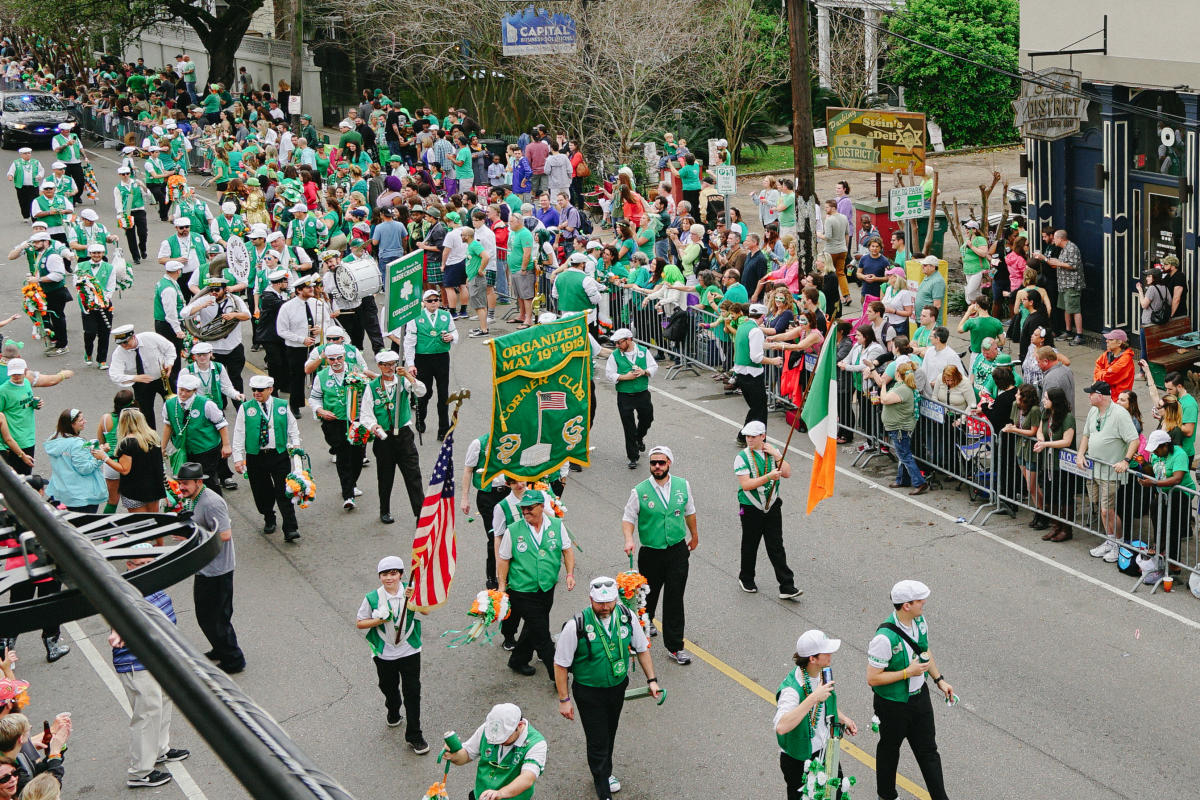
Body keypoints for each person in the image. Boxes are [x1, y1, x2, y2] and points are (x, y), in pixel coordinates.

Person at [553, 576, 659, 800]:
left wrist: (652, 680)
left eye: (609, 602)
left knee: (609, 733)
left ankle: (604, 772)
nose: (605, 607)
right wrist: (564, 700)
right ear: (590, 598)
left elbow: (641, 648)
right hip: (589, 691)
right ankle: (603, 789)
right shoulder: (577, 625)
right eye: (600, 603)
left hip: (617, 687)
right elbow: (561, 664)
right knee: (598, 740)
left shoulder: (626, 616)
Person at [110, 549, 190, 789]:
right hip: (137, 662)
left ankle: (159, 750)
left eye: (149, 561)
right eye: (140, 563)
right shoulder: (124, 590)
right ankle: (140, 772)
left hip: (159, 658)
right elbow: (117, 615)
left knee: (162, 703)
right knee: (146, 714)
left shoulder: (152, 580)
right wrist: (117, 630)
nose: (146, 566)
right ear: (129, 565)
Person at [867, 580, 954, 800]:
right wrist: (908, 672)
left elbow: (924, 651)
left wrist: (939, 680)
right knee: (889, 750)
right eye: (919, 600)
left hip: (920, 699)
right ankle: (886, 796)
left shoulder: (920, 622)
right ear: (906, 605)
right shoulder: (884, 639)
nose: (924, 603)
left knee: (929, 752)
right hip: (892, 705)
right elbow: (873, 678)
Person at [621, 446, 697, 665]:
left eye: (661, 463)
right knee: (647, 598)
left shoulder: (683, 486)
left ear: (669, 464)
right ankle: (640, 634)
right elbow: (628, 517)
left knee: (674, 599)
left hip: (677, 551)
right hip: (651, 553)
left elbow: (689, 511)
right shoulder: (640, 490)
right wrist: (629, 539)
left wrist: (694, 535)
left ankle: (675, 647)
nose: (656, 466)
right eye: (653, 463)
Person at [497, 490, 576, 678]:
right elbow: (503, 559)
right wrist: (501, 586)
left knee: (533, 626)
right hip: (522, 590)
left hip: (547, 588)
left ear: (542, 506)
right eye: (523, 509)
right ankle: (558, 675)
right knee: (542, 634)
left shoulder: (557, 525)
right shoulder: (514, 530)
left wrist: (570, 574)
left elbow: (567, 550)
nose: (525, 512)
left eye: (530, 508)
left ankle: (518, 660)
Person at [355, 555, 430, 753]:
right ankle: (393, 707)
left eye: (393, 573)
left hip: (409, 650)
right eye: (385, 574)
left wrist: (414, 598)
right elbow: (360, 622)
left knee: (412, 692)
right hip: (385, 653)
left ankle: (415, 735)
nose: (389, 578)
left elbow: (427, 612)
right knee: (388, 686)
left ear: (401, 574)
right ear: (379, 576)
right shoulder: (372, 598)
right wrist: (379, 620)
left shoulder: (411, 591)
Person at [178, 461, 246, 674]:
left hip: (218, 570)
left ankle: (234, 659)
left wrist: (191, 535)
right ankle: (220, 648)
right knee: (207, 615)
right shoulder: (194, 498)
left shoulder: (211, 502)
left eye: (186, 483)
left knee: (215, 617)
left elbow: (225, 535)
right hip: (204, 567)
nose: (182, 488)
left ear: (199, 482)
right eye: (180, 483)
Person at [775, 630, 859, 799]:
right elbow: (782, 726)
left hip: (825, 751)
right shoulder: (792, 690)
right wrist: (814, 698)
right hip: (799, 759)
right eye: (826, 652)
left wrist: (843, 719)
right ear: (812, 659)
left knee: (836, 794)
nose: (831, 654)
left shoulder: (821, 672)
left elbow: (825, 702)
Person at [734, 421, 801, 598]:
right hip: (750, 507)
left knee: (776, 545)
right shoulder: (742, 457)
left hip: (772, 505)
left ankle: (787, 585)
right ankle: (746, 578)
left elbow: (787, 472)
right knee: (750, 544)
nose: (749, 439)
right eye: (747, 436)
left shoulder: (772, 452)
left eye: (753, 436)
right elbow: (746, 484)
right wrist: (769, 476)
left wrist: (777, 456)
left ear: (763, 436)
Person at [232, 374, 302, 542]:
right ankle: (268, 516)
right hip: (256, 456)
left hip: (278, 454)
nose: (256, 393)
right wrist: (238, 457)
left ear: (270, 390)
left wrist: (296, 445)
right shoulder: (245, 408)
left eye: (260, 390)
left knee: (284, 491)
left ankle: (290, 527)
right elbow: (239, 433)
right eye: (254, 390)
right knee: (261, 491)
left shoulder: (282, 405)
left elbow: (292, 427)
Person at [1077, 380, 1140, 561]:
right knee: (1100, 507)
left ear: (1101, 396)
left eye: (1091, 393)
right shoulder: (1093, 411)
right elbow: (1086, 435)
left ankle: (1118, 544)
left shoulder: (1120, 414)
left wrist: (1126, 461)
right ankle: (1109, 540)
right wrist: (1081, 455)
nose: (1089, 396)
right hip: (1094, 468)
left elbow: (1133, 440)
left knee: (1108, 510)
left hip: (1110, 472)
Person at [360, 351, 426, 524]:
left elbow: (421, 391)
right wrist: (374, 426)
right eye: (386, 365)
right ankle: (385, 510)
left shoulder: (403, 381)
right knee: (385, 476)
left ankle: (421, 513)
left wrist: (410, 377)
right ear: (379, 366)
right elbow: (366, 414)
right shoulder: (372, 386)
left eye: (393, 364)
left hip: (404, 435)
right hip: (384, 438)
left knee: (413, 475)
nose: (390, 368)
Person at [442, 703, 546, 800]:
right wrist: (453, 756)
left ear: (519, 725)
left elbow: (528, 778)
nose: (497, 742)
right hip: (481, 795)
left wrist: (500, 793)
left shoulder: (536, 744)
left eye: (504, 738)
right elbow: (466, 755)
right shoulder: (490, 729)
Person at [309, 343, 368, 510]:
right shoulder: (321, 376)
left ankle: (351, 483)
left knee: (357, 456)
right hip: (334, 421)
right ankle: (348, 494)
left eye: (339, 358)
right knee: (342, 455)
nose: (336, 362)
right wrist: (321, 410)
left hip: (356, 420)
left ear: (344, 357)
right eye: (332, 359)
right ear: (326, 360)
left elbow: (368, 392)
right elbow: (314, 398)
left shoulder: (355, 371)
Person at [162, 373, 232, 494]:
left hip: (206, 450)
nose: (183, 394)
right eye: (181, 390)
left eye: (187, 391)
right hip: (184, 450)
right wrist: (162, 447)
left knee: (207, 481)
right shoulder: (169, 404)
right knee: (186, 482)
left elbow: (221, 425)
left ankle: (216, 507)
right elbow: (168, 426)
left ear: (194, 390)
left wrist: (226, 445)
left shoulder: (206, 404)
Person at [403, 290, 458, 440]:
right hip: (423, 359)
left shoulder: (446, 315)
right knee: (425, 393)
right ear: (424, 303)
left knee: (443, 394)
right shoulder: (416, 317)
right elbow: (409, 342)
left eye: (436, 300)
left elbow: (455, 333)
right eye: (430, 300)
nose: (433, 303)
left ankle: (443, 429)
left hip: (441, 358)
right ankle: (421, 417)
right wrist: (410, 364)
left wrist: (451, 337)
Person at [0, 358, 71, 474]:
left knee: (27, 476)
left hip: (29, 438)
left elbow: (22, 403)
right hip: (13, 443)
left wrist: (35, 404)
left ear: (25, 371)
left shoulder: (27, 383)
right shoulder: (3, 391)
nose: (16, 376)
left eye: (18, 373)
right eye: (13, 374)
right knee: (18, 482)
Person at [1137, 429, 1192, 576]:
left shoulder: (1179, 455)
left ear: (1165, 446)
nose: (1154, 453)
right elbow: (1154, 472)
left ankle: (1174, 563)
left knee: (1173, 525)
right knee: (1155, 509)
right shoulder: (1156, 456)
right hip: (1164, 492)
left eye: (1156, 449)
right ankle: (1159, 544)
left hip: (1181, 493)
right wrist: (1143, 467)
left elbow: (1177, 479)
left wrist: (1154, 483)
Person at [275, 274, 333, 416]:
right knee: (297, 377)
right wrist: (301, 339)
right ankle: (295, 406)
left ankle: (321, 406)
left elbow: (328, 323)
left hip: (316, 346)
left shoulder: (318, 304)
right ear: (299, 290)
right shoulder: (287, 307)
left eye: (312, 286)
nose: (312, 289)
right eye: (308, 287)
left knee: (319, 376)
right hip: (296, 348)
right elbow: (281, 330)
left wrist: (321, 330)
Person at [93, 408, 165, 513]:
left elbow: (124, 469)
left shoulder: (127, 443)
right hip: (154, 487)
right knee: (153, 521)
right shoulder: (153, 438)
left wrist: (104, 457)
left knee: (139, 524)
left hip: (134, 490)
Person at [605, 329, 656, 469]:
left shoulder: (643, 351)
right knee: (628, 426)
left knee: (647, 418)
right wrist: (624, 377)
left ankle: (639, 437)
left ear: (629, 340)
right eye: (615, 343)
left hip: (642, 393)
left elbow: (653, 366)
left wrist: (644, 372)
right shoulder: (615, 356)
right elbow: (609, 374)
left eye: (619, 343)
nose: (617, 345)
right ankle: (633, 456)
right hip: (624, 395)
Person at [108, 326, 176, 430]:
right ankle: (152, 442)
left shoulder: (150, 337)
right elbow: (114, 374)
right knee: (145, 414)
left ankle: (176, 435)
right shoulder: (119, 353)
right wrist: (135, 378)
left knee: (173, 407)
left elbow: (169, 348)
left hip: (162, 378)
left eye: (126, 342)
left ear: (133, 337)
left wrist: (169, 363)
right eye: (120, 344)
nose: (124, 346)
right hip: (141, 383)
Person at [732, 304, 783, 442]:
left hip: (741, 373)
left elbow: (749, 346)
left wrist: (769, 345)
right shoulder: (756, 331)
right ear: (762, 317)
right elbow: (756, 357)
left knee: (756, 408)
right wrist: (773, 361)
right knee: (759, 409)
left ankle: (745, 436)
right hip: (752, 375)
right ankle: (752, 438)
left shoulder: (743, 326)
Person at [876, 361, 929, 495]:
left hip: (900, 427)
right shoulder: (902, 386)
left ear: (897, 374)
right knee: (902, 454)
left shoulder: (904, 389)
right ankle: (902, 479)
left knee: (905, 456)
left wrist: (882, 385)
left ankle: (920, 482)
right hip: (898, 426)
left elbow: (885, 400)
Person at [1033, 386, 1077, 542]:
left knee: (1064, 497)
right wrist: (1041, 439)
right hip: (1048, 464)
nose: (1044, 401)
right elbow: (1039, 430)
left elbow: (1067, 441)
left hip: (1063, 465)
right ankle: (1056, 526)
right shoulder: (1046, 413)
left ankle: (1066, 529)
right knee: (1050, 497)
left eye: (1046, 398)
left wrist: (1047, 445)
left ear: (1055, 401)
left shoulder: (1068, 418)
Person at [44, 409, 105, 512]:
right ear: (72, 424)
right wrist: (100, 456)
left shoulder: (54, 439)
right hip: (80, 498)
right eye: (81, 420)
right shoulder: (77, 444)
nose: (85, 421)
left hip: (60, 492)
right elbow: (85, 469)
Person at [26, 232, 71, 355]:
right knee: (51, 317)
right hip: (47, 291)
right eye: (34, 242)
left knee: (58, 319)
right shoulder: (41, 254)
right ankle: (57, 343)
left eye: (37, 242)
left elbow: (58, 275)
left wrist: (38, 280)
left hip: (56, 292)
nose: (34, 245)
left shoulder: (52, 256)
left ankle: (63, 345)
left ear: (46, 242)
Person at [1043, 230, 1084, 345]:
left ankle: (1079, 335)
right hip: (1063, 284)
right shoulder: (1064, 249)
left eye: (1055, 239)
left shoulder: (1072, 248)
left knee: (1075, 309)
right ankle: (1068, 331)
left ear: (1060, 239)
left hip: (1072, 284)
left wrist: (1058, 263)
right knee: (1066, 308)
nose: (1053, 241)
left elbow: (1073, 265)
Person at [816, 199, 850, 305]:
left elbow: (828, 237)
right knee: (841, 273)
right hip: (842, 249)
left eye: (827, 207)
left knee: (828, 273)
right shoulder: (844, 217)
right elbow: (847, 234)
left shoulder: (829, 220)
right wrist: (846, 247)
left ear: (833, 208)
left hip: (831, 251)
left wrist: (818, 234)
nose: (825, 209)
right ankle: (846, 295)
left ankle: (835, 295)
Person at [1093, 329, 1135, 400]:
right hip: (1107, 396)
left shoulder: (1125, 360)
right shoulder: (1108, 353)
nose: (1107, 341)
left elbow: (1108, 378)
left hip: (1119, 400)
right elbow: (1098, 366)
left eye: (1111, 339)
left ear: (1119, 343)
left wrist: (1100, 374)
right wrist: (1104, 373)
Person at [8, 148, 44, 222]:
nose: (28, 155)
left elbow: (41, 170)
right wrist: (10, 176)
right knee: (23, 201)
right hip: (21, 186)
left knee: (34, 201)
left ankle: (34, 218)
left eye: (29, 153)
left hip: (33, 186)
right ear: (21, 155)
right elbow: (11, 171)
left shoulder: (36, 162)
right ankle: (25, 216)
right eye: (25, 153)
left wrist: (40, 175)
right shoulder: (16, 163)